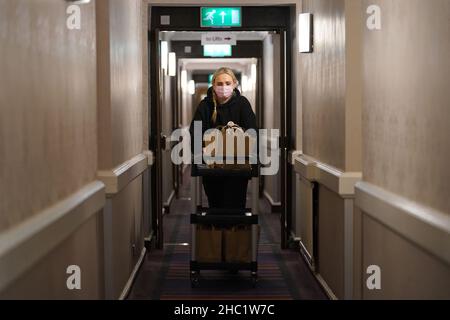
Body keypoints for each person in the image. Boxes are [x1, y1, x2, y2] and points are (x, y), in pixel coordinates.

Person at [189, 67, 257, 210]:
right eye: (219, 84)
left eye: (227, 83)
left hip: (237, 168)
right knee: (216, 206)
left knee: (236, 207)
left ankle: (234, 232)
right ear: (213, 85)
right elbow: (195, 133)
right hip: (212, 168)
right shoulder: (205, 106)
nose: (223, 87)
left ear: (234, 84)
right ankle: (216, 232)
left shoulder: (242, 104)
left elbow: (252, 132)